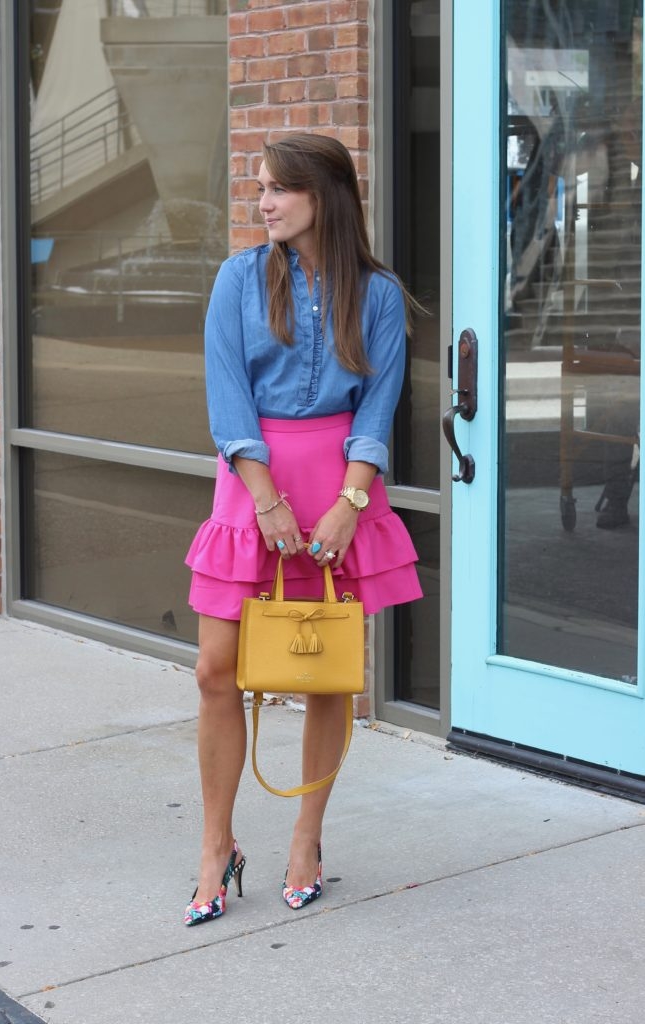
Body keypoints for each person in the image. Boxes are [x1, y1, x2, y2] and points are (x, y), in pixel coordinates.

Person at [183, 132, 423, 926]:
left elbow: (376, 413)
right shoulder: (238, 279)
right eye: (260, 188)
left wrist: (349, 504)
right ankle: (217, 845)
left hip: (339, 489)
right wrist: (264, 497)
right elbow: (227, 400)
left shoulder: (379, 295)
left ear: (326, 195)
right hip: (251, 486)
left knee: (326, 671)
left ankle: (304, 841)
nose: (264, 203)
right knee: (216, 669)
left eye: (279, 189)